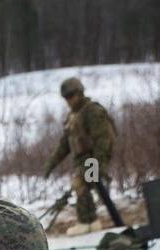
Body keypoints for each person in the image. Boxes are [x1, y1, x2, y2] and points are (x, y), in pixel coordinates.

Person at [43, 76, 116, 236]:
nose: (69, 100)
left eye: (71, 96)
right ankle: (92, 223)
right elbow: (64, 145)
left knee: (80, 184)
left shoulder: (92, 111)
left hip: (93, 158)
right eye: (66, 98)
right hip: (82, 159)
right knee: (85, 187)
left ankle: (87, 222)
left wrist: (98, 164)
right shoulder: (73, 116)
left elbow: (102, 139)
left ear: (80, 93)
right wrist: (50, 164)